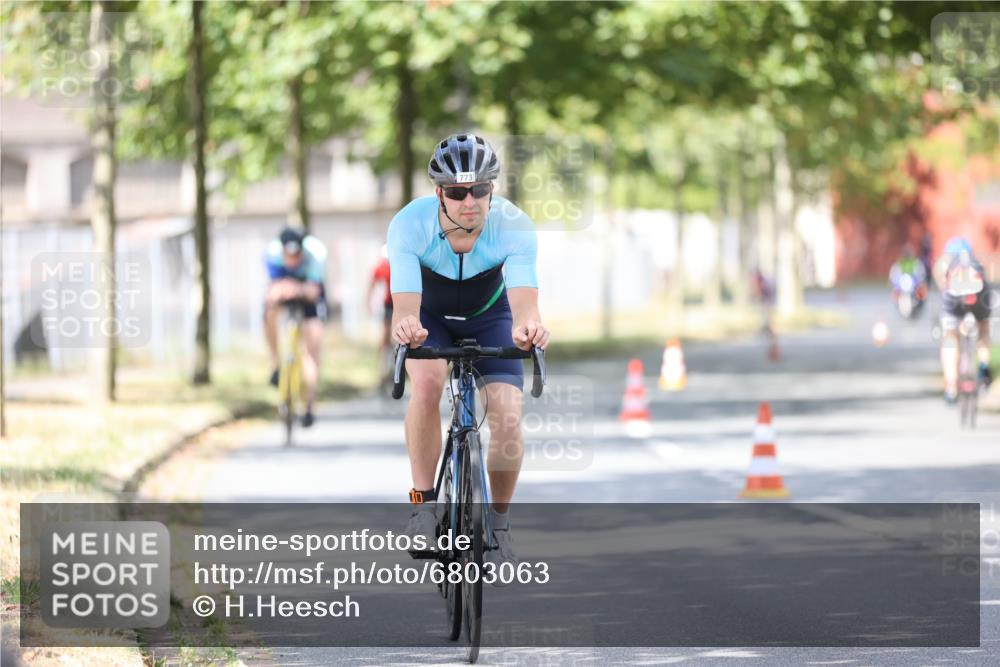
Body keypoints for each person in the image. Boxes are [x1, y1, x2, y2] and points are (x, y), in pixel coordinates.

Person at [387, 133, 549, 571]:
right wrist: (407, 327)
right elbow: (404, 309)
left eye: (479, 189)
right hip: (430, 317)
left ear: (492, 188)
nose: (469, 201)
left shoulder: (514, 225)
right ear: (438, 192)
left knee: (508, 416)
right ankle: (423, 509)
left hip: (489, 314)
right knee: (426, 385)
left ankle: (499, 524)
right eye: (457, 192)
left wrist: (529, 327)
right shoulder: (408, 223)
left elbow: (524, 307)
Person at [264, 226, 328, 427]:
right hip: (286, 289)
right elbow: (272, 291)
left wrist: (297, 289)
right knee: (268, 313)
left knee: (312, 344)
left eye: (296, 254)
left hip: (308, 294)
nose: (292, 259)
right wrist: (284, 290)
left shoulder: (315, 255)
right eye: (288, 255)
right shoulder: (272, 254)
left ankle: (309, 404)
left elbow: (313, 291)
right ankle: (276, 363)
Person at [933, 236, 993, 403]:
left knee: (950, 338)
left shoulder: (947, 261)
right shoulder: (975, 261)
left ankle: (951, 387)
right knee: (983, 329)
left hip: (954, 296)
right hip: (979, 295)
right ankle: (984, 366)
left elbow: (941, 283)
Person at [368, 245, 394, 384]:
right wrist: (369, 303)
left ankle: (398, 366)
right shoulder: (382, 267)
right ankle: (382, 368)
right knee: (385, 338)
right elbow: (372, 285)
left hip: (400, 302)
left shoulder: (401, 265)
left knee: (397, 337)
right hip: (388, 304)